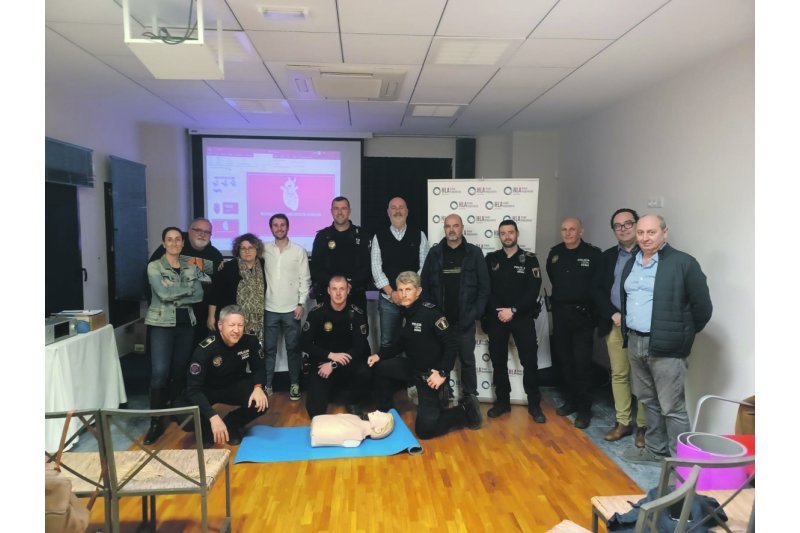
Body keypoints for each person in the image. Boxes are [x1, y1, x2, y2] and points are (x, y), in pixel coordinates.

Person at [620, 215, 712, 463]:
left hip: (666, 346)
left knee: (672, 408)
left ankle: (681, 462)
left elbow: (702, 308)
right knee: (648, 401)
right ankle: (655, 450)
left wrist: (681, 334)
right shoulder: (633, 262)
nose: (645, 238)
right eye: (640, 233)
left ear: (664, 234)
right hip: (635, 341)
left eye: (651, 232)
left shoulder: (683, 263)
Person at [368, 271, 483, 439]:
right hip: (412, 367)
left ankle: (465, 411)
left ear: (419, 291)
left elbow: (451, 344)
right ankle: (386, 413)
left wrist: (442, 372)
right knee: (380, 367)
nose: (404, 294)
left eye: (408, 289)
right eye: (400, 290)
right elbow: (398, 344)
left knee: (425, 431)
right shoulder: (403, 312)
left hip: (430, 375)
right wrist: (380, 355)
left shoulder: (431, 313)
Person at [143, 226, 209, 444]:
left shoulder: (190, 266)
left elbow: (199, 295)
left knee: (180, 370)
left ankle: (174, 410)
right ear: (164, 243)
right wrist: (185, 290)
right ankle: (155, 423)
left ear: (182, 243)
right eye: (169, 240)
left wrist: (176, 292)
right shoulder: (154, 266)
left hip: (186, 324)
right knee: (159, 373)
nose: (173, 243)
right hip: (161, 323)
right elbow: (162, 294)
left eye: (177, 240)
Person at [420, 213, 489, 423]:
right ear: (444, 229)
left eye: (455, 226)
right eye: (448, 226)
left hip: (464, 321)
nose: (452, 229)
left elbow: (484, 289)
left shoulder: (474, 254)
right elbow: (424, 286)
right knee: (441, 362)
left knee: (467, 361)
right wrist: (433, 315)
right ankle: (442, 400)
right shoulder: (434, 253)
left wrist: (474, 314)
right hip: (440, 323)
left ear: (462, 228)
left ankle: (470, 404)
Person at [176, 305, 268, 447]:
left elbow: (259, 368)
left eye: (240, 325)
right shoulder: (205, 349)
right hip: (206, 389)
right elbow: (193, 389)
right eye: (231, 325)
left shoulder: (250, 341)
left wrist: (258, 387)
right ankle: (207, 428)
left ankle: (231, 424)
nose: (236, 330)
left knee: (261, 402)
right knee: (186, 418)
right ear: (220, 325)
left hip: (233, 385)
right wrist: (213, 417)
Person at [594, 208, 648, 446]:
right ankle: (623, 422)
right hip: (615, 324)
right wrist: (613, 314)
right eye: (618, 225)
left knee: (644, 377)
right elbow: (596, 290)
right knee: (619, 374)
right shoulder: (606, 257)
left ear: (636, 225)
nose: (623, 228)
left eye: (628, 224)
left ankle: (644, 427)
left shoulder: (650, 254)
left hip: (642, 327)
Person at [484, 220, 546, 423]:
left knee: (529, 361)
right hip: (497, 318)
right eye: (503, 233)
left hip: (522, 317)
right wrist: (499, 311)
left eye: (510, 232)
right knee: (498, 361)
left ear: (517, 234)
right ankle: (502, 402)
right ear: (499, 236)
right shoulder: (491, 259)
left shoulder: (529, 259)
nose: (507, 236)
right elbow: (487, 289)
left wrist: (513, 310)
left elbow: (533, 290)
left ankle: (534, 404)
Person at [546, 217, 602, 429]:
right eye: (564, 229)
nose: (568, 233)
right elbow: (553, 279)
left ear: (581, 231)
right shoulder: (555, 254)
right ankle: (570, 401)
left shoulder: (593, 254)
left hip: (583, 317)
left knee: (582, 364)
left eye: (572, 229)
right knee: (565, 361)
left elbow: (597, 285)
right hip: (561, 314)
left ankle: (584, 409)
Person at [300, 276, 372, 419]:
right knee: (315, 413)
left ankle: (353, 402)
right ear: (328, 291)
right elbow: (304, 343)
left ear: (348, 291)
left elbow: (360, 347)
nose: (338, 293)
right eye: (334, 289)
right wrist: (330, 355)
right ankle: (329, 392)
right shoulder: (317, 313)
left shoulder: (357, 314)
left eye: (342, 289)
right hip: (323, 365)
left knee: (365, 372)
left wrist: (334, 363)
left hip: (347, 363)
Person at [149, 217, 224, 345]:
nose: (202, 234)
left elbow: (216, 287)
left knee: (193, 355)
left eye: (207, 232)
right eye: (198, 230)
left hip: (201, 316)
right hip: (170, 312)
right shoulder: (173, 247)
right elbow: (151, 276)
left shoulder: (215, 255)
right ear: (189, 231)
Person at [263, 213, 311, 400]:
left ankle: (295, 384)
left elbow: (305, 280)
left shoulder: (298, 251)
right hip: (269, 308)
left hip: (292, 309)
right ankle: (267, 385)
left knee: (293, 349)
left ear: (288, 227)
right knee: (269, 349)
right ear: (271, 228)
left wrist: (301, 304)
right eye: (275, 225)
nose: (279, 228)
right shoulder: (264, 249)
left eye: (282, 225)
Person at [371, 196, 429, 350]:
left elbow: (424, 266)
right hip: (388, 300)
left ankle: (412, 374)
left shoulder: (419, 235)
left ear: (407, 211)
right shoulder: (379, 237)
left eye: (401, 207)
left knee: (415, 342)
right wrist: (392, 293)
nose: (397, 211)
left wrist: (408, 293)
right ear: (388, 212)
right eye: (393, 207)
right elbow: (376, 268)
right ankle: (386, 374)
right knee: (387, 343)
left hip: (414, 301)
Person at [310, 197, 372, 311]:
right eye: (336, 209)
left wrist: (349, 284)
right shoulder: (322, 236)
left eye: (343, 208)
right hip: (327, 296)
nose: (340, 212)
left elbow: (367, 267)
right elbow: (315, 268)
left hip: (355, 295)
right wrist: (334, 286)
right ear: (331, 211)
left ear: (349, 211)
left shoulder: (362, 235)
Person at [208, 233, 266, 344]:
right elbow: (215, 294)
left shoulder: (264, 266)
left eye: (251, 247)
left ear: (257, 249)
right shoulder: (227, 267)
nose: (247, 251)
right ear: (238, 251)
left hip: (259, 321)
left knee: (255, 352)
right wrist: (211, 317)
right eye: (243, 248)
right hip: (232, 319)